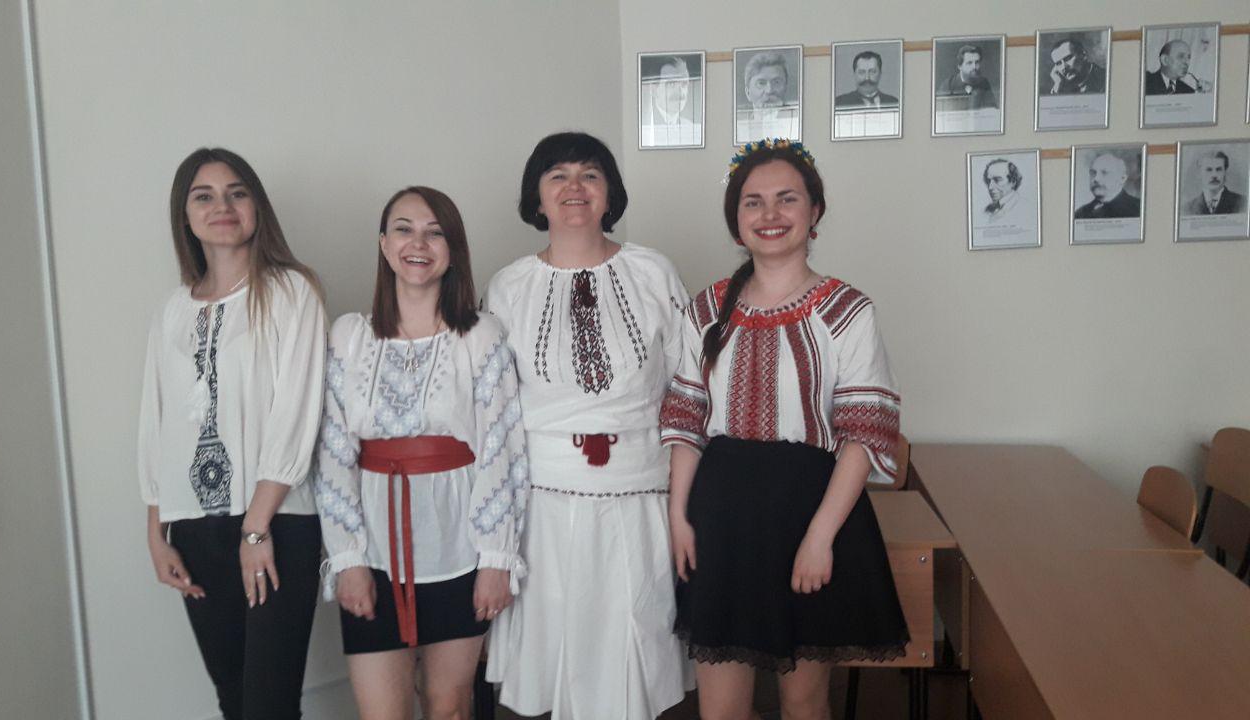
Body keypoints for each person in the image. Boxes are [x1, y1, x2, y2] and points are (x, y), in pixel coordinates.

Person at [661, 138, 907, 720]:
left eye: (786, 199)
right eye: (753, 202)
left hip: (811, 511)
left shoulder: (846, 311)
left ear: (814, 211)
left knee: (803, 702)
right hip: (720, 517)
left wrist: (821, 537)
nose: (770, 214)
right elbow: (686, 424)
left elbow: (862, 434)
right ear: (736, 220)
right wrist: (678, 517)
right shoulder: (705, 310)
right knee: (721, 708)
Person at [483, 131, 691, 719]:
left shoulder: (652, 272)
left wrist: (684, 507)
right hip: (542, 508)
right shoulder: (509, 286)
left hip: (640, 498)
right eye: (558, 176)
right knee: (554, 661)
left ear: (609, 193)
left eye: (590, 174)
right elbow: (494, 413)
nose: (575, 187)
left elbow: (690, 391)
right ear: (537, 198)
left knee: (634, 655)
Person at [313, 186, 528, 720]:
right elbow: (334, 454)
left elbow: (502, 449)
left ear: (453, 251)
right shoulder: (350, 336)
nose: (418, 243)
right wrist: (347, 558)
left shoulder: (480, 335)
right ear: (384, 245)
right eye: (404, 229)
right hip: (373, 552)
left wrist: (496, 559)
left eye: (435, 233)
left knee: (449, 706)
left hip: (459, 548)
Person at [138, 147, 327, 720]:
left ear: (256, 207)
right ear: (185, 214)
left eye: (236, 193)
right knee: (234, 700)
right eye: (204, 196)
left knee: (270, 705)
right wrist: (156, 532)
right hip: (194, 529)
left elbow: (297, 411)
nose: (222, 205)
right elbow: (157, 421)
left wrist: (255, 528)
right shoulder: (173, 310)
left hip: (276, 522)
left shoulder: (292, 291)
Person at [736, 51, 800, 142]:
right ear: (748, 92)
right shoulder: (739, 126)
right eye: (761, 83)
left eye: (776, 82)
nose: (769, 90)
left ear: (786, 88)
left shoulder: (796, 121)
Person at [642, 55, 701, 147]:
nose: (680, 91)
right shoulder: (645, 126)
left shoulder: (690, 127)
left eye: (684, 84)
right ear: (653, 90)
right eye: (671, 84)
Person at [1074, 153, 1141, 219]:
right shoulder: (1080, 213)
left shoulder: (1138, 209)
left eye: (1104, 172)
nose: (1096, 179)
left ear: (1122, 179)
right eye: (1093, 173)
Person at [1183, 151, 1247, 215]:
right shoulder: (1187, 209)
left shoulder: (1242, 203)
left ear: (1225, 172)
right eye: (1209, 170)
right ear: (1199, 174)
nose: (1214, 175)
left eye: (1218, 169)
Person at [937, 44, 998, 109]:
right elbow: (940, 109)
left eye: (977, 62)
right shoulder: (948, 85)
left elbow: (992, 108)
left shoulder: (984, 83)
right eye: (969, 63)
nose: (974, 67)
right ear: (959, 66)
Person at [834, 50, 899, 110]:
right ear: (854, 74)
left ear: (880, 73)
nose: (867, 78)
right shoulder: (840, 103)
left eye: (872, 72)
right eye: (862, 72)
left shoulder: (894, 102)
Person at [979, 158, 1033, 225]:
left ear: (1013, 181)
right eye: (988, 181)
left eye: (997, 180)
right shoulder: (988, 209)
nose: (990, 187)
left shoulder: (1027, 208)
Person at [1144, 39, 1209, 95]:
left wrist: (1200, 97)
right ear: (1165, 60)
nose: (1187, 62)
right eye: (1181, 56)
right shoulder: (1145, 81)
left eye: (1188, 57)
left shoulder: (1188, 91)